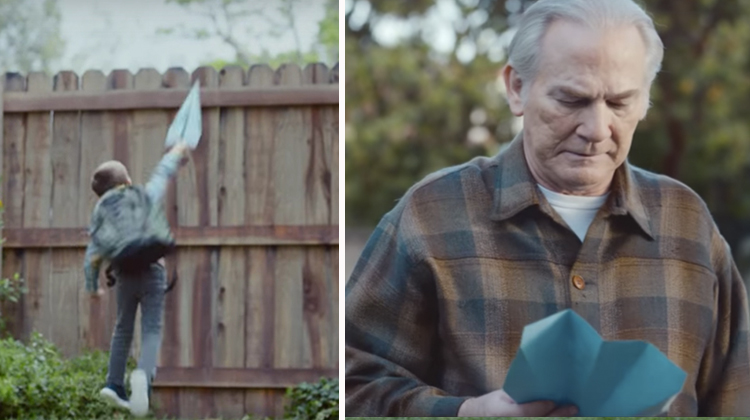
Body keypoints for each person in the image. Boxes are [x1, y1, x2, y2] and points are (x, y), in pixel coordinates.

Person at [345, 0, 750, 416]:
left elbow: (736, 394)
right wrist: (466, 413)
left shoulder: (688, 222)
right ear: (517, 88)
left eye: (619, 103)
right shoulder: (430, 215)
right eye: (572, 100)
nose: (595, 130)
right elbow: (352, 387)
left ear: (645, 100)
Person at [84, 142, 189, 416]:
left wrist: (92, 286)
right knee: (152, 327)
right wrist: (176, 153)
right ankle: (143, 373)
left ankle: (114, 383)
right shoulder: (139, 194)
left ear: (99, 195)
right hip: (153, 271)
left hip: (124, 275)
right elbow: (161, 176)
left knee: (123, 328)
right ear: (127, 181)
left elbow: (92, 254)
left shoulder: (100, 213)